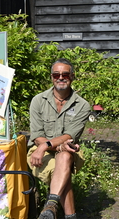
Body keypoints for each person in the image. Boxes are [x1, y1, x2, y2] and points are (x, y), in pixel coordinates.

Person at [27, 58, 91, 219]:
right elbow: (36, 136)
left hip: (67, 149)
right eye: (56, 74)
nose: (60, 77)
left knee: (65, 158)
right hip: (40, 153)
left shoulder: (82, 105)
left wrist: (47, 145)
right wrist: (53, 147)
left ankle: (50, 206)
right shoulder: (38, 101)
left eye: (65, 74)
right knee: (64, 166)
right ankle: (68, 215)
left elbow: (70, 136)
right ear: (51, 77)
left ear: (72, 76)